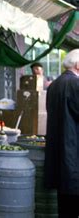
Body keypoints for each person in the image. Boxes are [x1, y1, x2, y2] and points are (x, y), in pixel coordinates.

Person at [44, 49, 79, 217]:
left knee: (64, 207)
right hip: (74, 151)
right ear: (78, 65)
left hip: (59, 151)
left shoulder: (54, 85)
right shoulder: (76, 84)